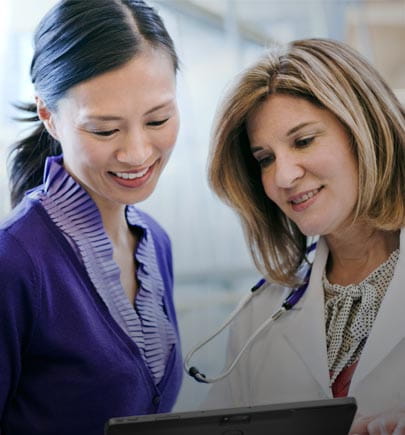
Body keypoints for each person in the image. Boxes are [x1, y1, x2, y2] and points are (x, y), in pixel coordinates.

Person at [203, 38, 405, 435]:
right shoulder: (260, 314)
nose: (283, 177)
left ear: (363, 132)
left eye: (303, 141)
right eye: (265, 159)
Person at [0, 1, 183, 434]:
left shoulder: (155, 243)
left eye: (158, 119)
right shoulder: (14, 261)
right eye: (105, 129)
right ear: (49, 115)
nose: (137, 152)